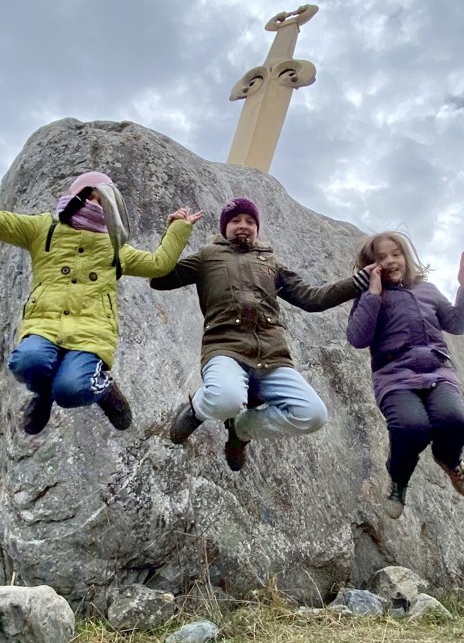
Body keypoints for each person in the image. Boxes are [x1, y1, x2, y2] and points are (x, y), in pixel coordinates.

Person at [0, 136, 202, 434]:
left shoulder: (114, 248)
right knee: (27, 362)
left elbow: (158, 265)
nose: (93, 204)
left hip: (91, 334)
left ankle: (103, 388)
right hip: (45, 325)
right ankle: (43, 395)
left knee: (72, 390)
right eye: (88, 196)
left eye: (102, 201)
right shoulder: (42, 230)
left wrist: (178, 228)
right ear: (74, 196)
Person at [152, 196, 370, 471]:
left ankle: (242, 429)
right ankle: (196, 410)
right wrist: (173, 232)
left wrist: (356, 283)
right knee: (224, 400)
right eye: (235, 221)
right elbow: (160, 279)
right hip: (225, 350)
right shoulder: (208, 256)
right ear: (224, 228)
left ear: (257, 228)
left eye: (250, 221)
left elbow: (312, 299)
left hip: (272, 358)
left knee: (314, 415)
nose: (243, 226)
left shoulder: (272, 263)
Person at [347, 232, 464, 518]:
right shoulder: (369, 297)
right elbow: (357, 338)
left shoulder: (427, 290)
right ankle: (398, 481)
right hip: (394, 378)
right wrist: (372, 294)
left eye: (395, 254)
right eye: (381, 257)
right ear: (371, 265)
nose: (389, 261)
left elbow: (457, 324)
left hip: (437, 372)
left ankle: (450, 460)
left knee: (455, 420)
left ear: (406, 257)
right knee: (411, 427)